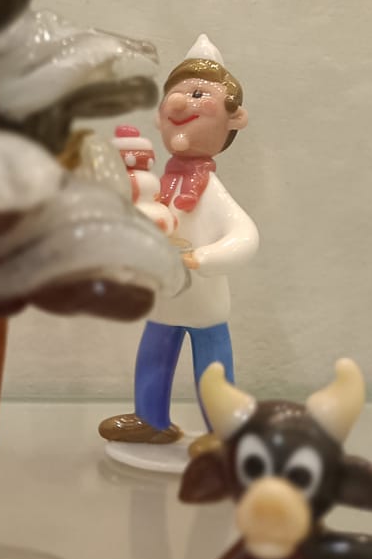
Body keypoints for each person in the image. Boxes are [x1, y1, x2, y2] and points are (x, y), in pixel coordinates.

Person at [99, 37, 258, 447]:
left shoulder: (213, 193)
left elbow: (245, 236)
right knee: (153, 355)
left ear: (234, 118)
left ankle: (223, 431)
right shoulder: (159, 186)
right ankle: (151, 419)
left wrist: (203, 257)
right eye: (174, 95)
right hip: (165, 297)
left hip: (203, 300)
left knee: (213, 367)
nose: (178, 103)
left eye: (199, 95)